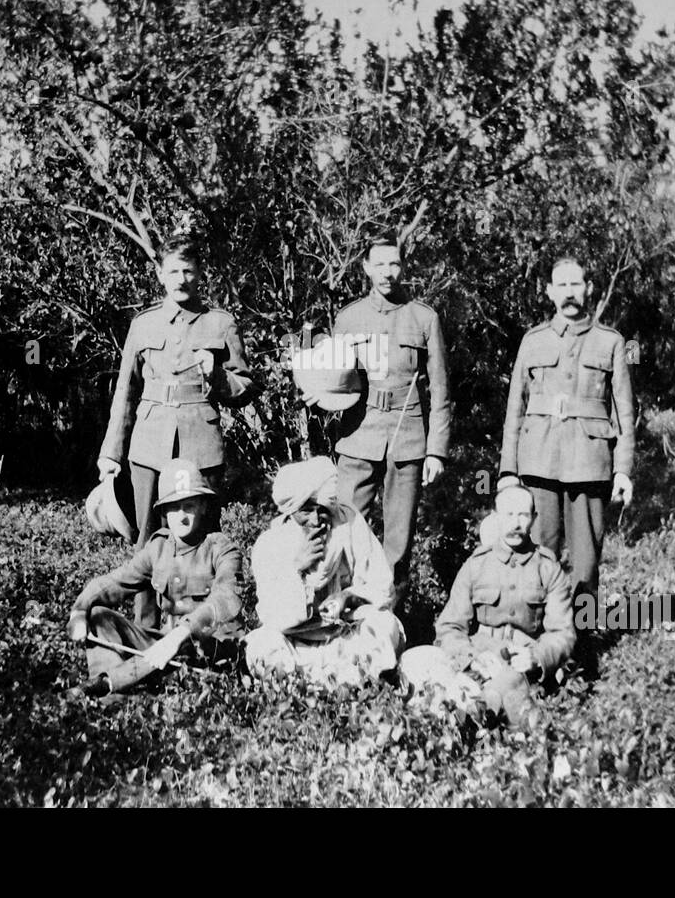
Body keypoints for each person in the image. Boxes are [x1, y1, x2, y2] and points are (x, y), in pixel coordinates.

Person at [96, 236, 256, 624]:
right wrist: (110, 453)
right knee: (147, 539)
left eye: (188, 270)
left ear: (200, 273)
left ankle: (208, 629)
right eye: (173, 271)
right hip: (149, 445)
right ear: (160, 274)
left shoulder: (220, 323)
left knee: (206, 539)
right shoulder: (143, 323)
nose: (181, 279)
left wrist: (215, 374)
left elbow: (245, 388)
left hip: (200, 443)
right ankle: (145, 628)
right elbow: (125, 393)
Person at [498, 256, 635, 612]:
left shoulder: (610, 342)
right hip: (538, 461)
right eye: (562, 285)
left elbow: (624, 411)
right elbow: (515, 408)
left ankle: (582, 649)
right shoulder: (533, 341)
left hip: (589, 463)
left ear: (589, 289)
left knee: (587, 562)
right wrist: (508, 471)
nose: (569, 293)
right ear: (549, 292)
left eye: (576, 284)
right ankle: (541, 640)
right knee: (540, 554)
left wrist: (623, 470)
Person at [323, 234, 451, 610]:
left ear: (403, 266)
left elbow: (442, 390)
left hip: (407, 436)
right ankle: (339, 616)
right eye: (379, 264)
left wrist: (436, 451)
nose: (387, 273)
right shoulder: (348, 318)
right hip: (359, 432)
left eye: (394, 264)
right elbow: (334, 380)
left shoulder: (424, 318)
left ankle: (387, 622)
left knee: (398, 542)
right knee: (344, 527)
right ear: (365, 267)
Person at [399, 485, 575, 726]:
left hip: (520, 662)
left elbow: (562, 633)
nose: (515, 523)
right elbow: (450, 626)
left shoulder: (547, 568)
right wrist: (470, 658)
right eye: (508, 514)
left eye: (523, 515)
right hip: (477, 652)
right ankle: (437, 719)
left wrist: (536, 657)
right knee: (414, 661)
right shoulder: (477, 564)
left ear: (534, 519)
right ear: (496, 517)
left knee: (500, 690)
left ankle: (468, 724)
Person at [67, 459, 242, 697]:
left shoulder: (221, 549)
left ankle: (103, 686)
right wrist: (79, 611)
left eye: (189, 505)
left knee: (183, 646)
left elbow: (226, 596)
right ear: (163, 512)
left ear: (203, 506)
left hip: (209, 648)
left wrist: (182, 633)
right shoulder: (158, 548)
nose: (181, 516)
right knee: (98, 616)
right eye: (174, 507)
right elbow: (113, 582)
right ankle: (112, 700)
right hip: (163, 647)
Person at [244, 456, 404, 685]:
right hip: (297, 646)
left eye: (323, 509)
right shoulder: (271, 543)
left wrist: (348, 597)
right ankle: (297, 693)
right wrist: (296, 567)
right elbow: (271, 615)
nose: (316, 519)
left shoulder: (349, 525)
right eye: (306, 511)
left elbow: (382, 587)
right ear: (291, 509)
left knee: (383, 624)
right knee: (260, 645)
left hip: (344, 640)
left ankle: (355, 687)